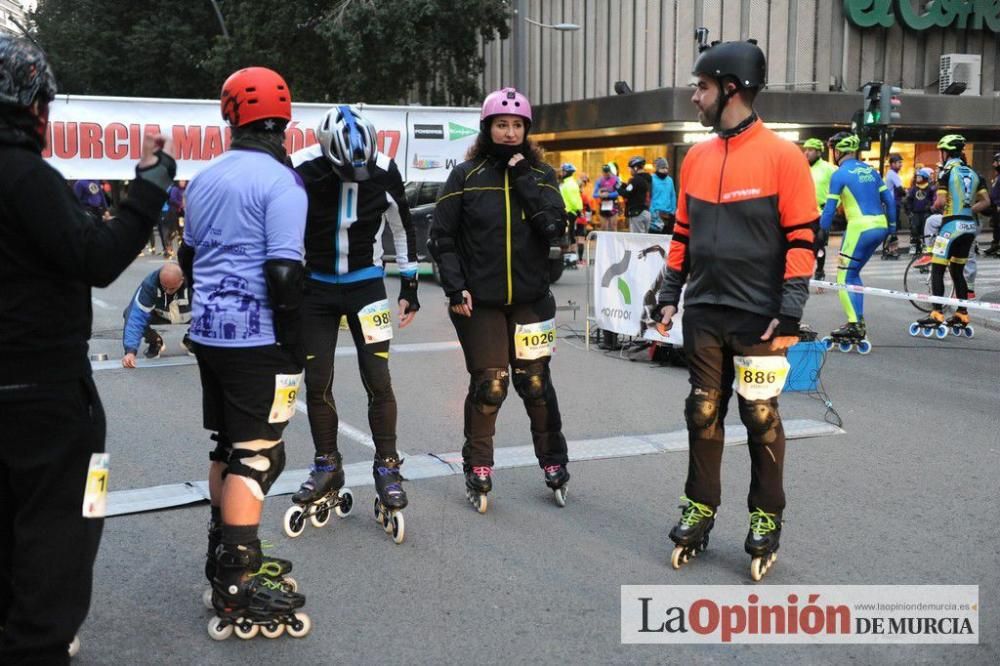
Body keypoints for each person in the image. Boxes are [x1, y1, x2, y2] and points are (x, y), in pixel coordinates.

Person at [0, 36, 174, 663]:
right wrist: (151, 187)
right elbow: (96, 259)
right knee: (64, 532)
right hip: (45, 394)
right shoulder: (25, 176)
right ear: (33, 106)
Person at [654, 40, 817, 581]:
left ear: (731, 88)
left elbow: (802, 240)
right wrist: (668, 292)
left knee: (760, 415)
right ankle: (700, 506)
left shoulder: (783, 156)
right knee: (702, 410)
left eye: (701, 87)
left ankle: (766, 518)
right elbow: (682, 234)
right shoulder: (696, 158)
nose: (694, 98)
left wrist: (790, 310)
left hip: (759, 317)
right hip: (704, 309)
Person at [179, 66, 311, 639]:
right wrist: (295, 341)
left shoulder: (204, 179)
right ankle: (237, 582)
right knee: (259, 456)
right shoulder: (282, 181)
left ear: (230, 117)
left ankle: (222, 558)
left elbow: (187, 260)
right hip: (259, 338)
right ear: (284, 120)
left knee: (228, 446)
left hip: (209, 334)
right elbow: (284, 270)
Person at [429, 87, 570, 512]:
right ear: (487, 128)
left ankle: (554, 462)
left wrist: (524, 177)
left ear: (526, 130)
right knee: (490, 385)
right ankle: (479, 466)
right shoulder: (466, 175)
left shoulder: (542, 176)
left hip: (530, 299)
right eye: (501, 124)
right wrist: (456, 287)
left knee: (534, 382)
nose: (509, 132)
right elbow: (442, 237)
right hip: (481, 302)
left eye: (516, 126)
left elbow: (554, 230)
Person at [288, 105, 419, 538]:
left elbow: (401, 228)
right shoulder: (302, 167)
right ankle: (327, 462)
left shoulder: (384, 168)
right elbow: (283, 227)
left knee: (378, 377)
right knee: (316, 379)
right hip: (317, 287)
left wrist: (411, 286)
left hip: (366, 285)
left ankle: (388, 465)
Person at [819, 132, 896, 346]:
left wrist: (820, 233)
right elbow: (889, 201)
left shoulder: (840, 173)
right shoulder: (871, 171)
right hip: (879, 226)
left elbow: (829, 211)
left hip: (859, 228)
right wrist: (892, 229)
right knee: (853, 274)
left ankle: (854, 324)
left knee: (843, 277)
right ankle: (857, 321)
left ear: (838, 151)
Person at [913, 135, 990, 333]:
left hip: (950, 227)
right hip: (968, 227)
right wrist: (968, 209)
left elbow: (939, 202)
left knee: (937, 268)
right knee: (957, 272)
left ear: (946, 152)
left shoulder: (946, 173)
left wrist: (935, 207)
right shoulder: (975, 173)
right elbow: (986, 202)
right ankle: (962, 313)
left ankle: (937, 313)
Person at [120, 263, 193, 367]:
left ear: (182, 280)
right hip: (161, 315)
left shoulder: (196, 281)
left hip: (189, 314)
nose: (167, 291)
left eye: (171, 288)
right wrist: (130, 352)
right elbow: (136, 316)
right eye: (164, 287)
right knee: (128, 313)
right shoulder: (150, 284)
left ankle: (193, 339)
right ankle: (155, 341)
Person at [802, 137, 836, 280]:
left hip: (822, 213)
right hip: (803, 212)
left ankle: (819, 272)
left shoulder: (829, 168)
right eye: (805, 149)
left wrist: (832, 206)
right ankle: (804, 272)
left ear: (818, 152)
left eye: (810, 150)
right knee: (805, 245)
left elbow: (839, 189)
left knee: (819, 243)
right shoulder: (801, 166)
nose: (806, 153)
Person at [904, 168, 936, 256]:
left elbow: (933, 200)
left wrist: (930, 207)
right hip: (915, 213)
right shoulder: (914, 189)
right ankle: (914, 245)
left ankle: (924, 245)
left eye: (919, 177)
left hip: (925, 213)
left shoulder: (929, 189)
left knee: (924, 229)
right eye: (917, 177)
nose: (917, 178)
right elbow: (909, 200)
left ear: (925, 178)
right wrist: (909, 210)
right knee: (914, 229)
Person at [618, 156, 652, 233]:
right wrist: (624, 185)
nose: (630, 171)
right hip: (646, 212)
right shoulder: (648, 178)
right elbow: (636, 191)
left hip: (637, 213)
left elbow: (626, 193)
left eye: (630, 168)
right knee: (645, 239)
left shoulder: (636, 180)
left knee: (637, 240)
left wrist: (618, 188)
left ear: (636, 168)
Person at [559, 162, 585, 261]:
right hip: (568, 211)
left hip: (569, 211)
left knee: (570, 234)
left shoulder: (569, 184)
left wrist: (578, 210)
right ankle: (570, 256)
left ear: (568, 172)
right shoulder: (567, 182)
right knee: (570, 234)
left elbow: (574, 199)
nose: (562, 172)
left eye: (563, 171)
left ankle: (572, 257)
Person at [883, 153, 905, 258]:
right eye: (898, 162)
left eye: (901, 162)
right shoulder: (892, 174)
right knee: (892, 228)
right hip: (892, 204)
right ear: (892, 164)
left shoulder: (890, 173)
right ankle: (890, 250)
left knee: (891, 227)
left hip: (890, 203)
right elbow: (901, 190)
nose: (901, 165)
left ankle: (889, 250)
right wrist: (906, 194)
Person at [649, 157, 676, 234]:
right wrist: (652, 211)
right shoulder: (651, 179)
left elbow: (672, 196)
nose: (665, 170)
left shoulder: (670, 180)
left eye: (666, 168)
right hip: (655, 215)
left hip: (668, 215)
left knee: (668, 241)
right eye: (662, 168)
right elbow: (649, 196)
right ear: (657, 168)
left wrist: (673, 211)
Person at [593, 164, 621, 231]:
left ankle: (613, 241)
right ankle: (604, 241)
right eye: (604, 172)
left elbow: (619, 192)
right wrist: (600, 195)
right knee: (603, 227)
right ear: (602, 172)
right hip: (603, 205)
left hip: (613, 204)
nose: (606, 174)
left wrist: (609, 195)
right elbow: (594, 194)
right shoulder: (599, 181)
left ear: (610, 171)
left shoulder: (616, 180)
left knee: (613, 226)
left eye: (607, 172)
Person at [985, 153, 1000, 257]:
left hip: (998, 206)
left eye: (995, 161)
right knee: (996, 227)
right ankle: (995, 245)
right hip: (995, 205)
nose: (993, 164)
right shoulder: (997, 176)